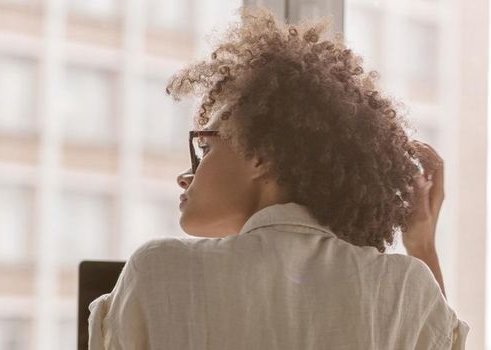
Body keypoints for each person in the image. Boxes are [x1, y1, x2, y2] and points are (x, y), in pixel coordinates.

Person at [87, 7, 467, 349]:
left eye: (205, 148)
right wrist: (421, 246)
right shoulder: (403, 288)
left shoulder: (158, 272)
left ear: (261, 154)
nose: (184, 176)